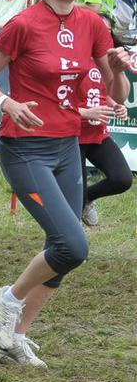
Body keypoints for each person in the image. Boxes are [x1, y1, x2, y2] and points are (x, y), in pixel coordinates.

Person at [0, 0, 131, 368]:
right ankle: (7, 301)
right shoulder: (23, 25)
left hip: (68, 146)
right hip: (26, 149)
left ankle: (15, 336)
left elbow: (116, 95)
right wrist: (7, 103)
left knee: (59, 249)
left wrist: (117, 72)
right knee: (72, 245)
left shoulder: (92, 24)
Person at [77, 18, 133, 226]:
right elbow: (53, 101)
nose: (102, 34)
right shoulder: (71, 58)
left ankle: (86, 199)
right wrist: (85, 112)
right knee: (73, 194)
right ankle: (68, 238)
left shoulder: (108, 62)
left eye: (107, 30)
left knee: (122, 179)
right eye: (97, 29)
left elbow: (106, 93)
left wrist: (116, 105)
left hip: (97, 134)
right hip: (71, 136)